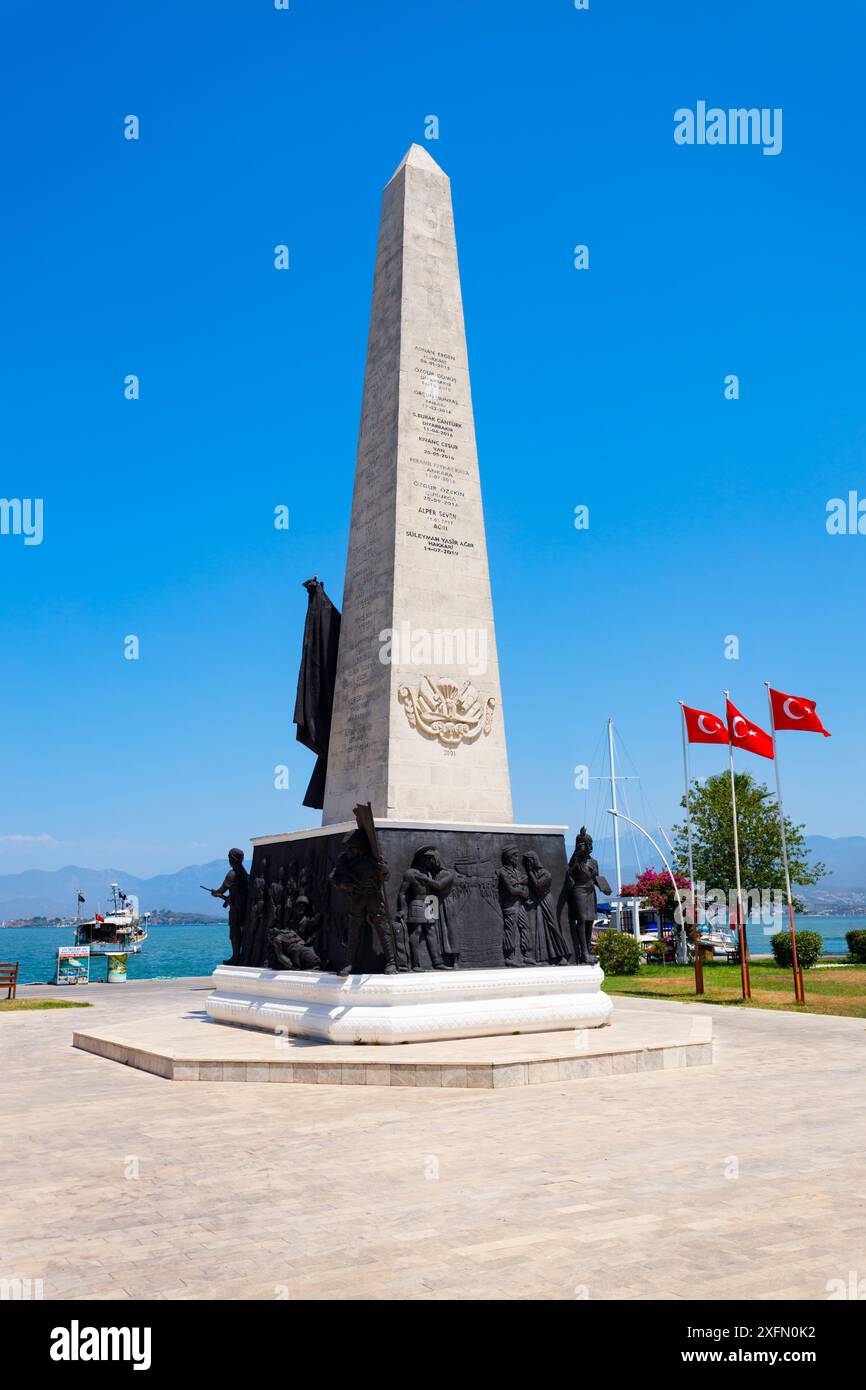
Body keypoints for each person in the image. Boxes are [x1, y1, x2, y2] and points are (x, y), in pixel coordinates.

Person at [330, 829, 398, 975]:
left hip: (373, 895)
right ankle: (349, 964)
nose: (350, 849)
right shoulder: (345, 860)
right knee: (353, 929)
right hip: (356, 896)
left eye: (353, 846)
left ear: (360, 845)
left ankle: (391, 962)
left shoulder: (373, 858)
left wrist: (383, 870)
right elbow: (333, 877)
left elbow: (386, 876)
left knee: (382, 926)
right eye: (349, 847)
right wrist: (343, 885)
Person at [396, 846, 456, 971]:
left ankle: (437, 962)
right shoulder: (411, 873)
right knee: (416, 932)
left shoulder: (429, 873)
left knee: (432, 932)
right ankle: (416, 964)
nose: (433, 862)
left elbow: (439, 884)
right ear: (424, 859)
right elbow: (402, 893)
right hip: (417, 902)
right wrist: (402, 909)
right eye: (431, 859)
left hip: (430, 902)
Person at [560, 827, 612, 964]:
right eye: (580, 844)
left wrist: (604, 888)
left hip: (590, 892)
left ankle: (588, 950)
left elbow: (596, 878)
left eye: (585, 844)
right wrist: (575, 854)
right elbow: (568, 872)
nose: (583, 846)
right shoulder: (575, 861)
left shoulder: (594, 862)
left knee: (590, 921)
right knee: (582, 920)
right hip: (579, 891)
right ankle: (582, 952)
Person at [523, 851, 569, 964]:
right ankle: (545, 957)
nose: (527, 864)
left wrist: (529, 872)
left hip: (546, 900)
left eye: (529, 861)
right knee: (541, 927)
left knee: (552, 926)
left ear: (534, 861)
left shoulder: (546, 874)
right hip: (539, 902)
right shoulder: (533, 874)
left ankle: (563, 955)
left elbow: (538, 884)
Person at [206, 848, 249, 965]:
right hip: (244, 908)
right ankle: (241, 955)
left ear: (233, 859)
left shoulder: (232, 874)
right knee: (242, 931)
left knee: (234, 931)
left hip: (236, 908)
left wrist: (215, 893)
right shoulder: (245, 874)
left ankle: (236, 956)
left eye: (229, 857)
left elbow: (221, 890)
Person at [498, 846, 537, 966]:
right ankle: (510, 957)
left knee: (525, 927)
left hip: (519, 905)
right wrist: (522, 892)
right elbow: (511, 890)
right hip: (509, 905)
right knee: (511, 930)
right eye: (515, 856)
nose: (517, 858)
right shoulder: (503, 872)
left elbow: (526, 880)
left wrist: (518, 883)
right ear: (509, 858)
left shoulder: (516, 872)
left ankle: (526, 955)